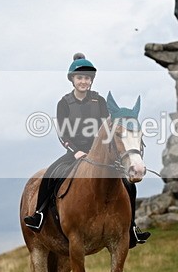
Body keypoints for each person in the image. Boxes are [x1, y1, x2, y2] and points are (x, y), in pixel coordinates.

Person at [23, 53, 151, 248]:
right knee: (51, 175)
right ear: (72, 80)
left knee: (128, 184)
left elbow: (109, 127)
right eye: (80, 78)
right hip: (74, 152)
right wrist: (75, 151)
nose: (83, 81)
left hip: (98, 153)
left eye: (87, 78)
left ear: (91, 80)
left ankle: (131, 227)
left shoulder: (99, 101)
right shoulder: (64, 103)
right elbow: (63, 133)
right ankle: (39, 215)